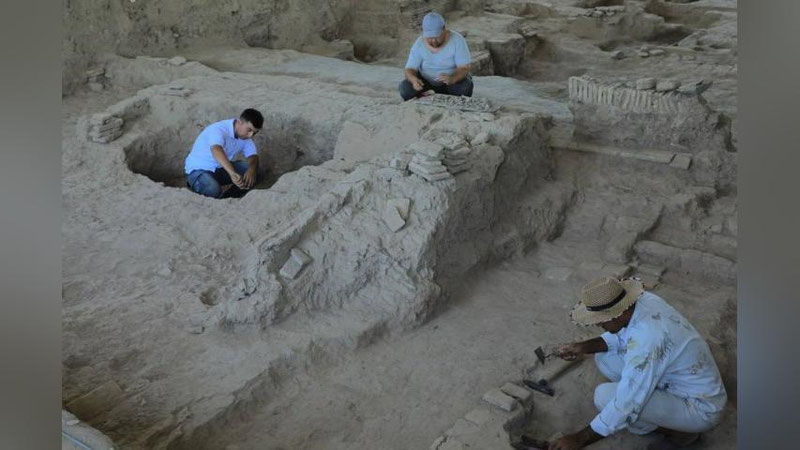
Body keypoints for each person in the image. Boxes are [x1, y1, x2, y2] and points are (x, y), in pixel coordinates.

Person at [547, 277, 727, 450]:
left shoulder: (648, 340)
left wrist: (579, 439)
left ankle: (679, 433)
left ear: (617, 313)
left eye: (599, 320)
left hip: (700, 408)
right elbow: (621, 337)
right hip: (674, 379)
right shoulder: (642, 302)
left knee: (604, 397)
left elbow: (626, 404)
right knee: (604, 358)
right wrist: (581, 347)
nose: (598, 325)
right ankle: (651, 399)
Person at [184, 108, 264, 199]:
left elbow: (253, 156)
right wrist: (232, 173)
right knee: (213, 190)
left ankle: (227, 197)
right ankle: (195, 184)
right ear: (239, 122)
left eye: (255, 132)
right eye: (249, 130)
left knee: (257, 172)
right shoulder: (219, 129)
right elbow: (216, 150)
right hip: (198, 170)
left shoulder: (246, 138)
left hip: (220, 169)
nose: (251, 135)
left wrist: (251, 170)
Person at [399, 11, 473, 101]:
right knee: (405, 88)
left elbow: (464, 67)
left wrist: (452, 79)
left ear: (444, 29)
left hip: (450, 82)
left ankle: (445, 94)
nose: (433, 41)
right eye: (430, 37)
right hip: (425, 82)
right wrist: (413, 79)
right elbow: (410, 69)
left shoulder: (457, 40)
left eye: (437, 36)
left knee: (465, 87)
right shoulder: (419, 43)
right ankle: (426, 94)